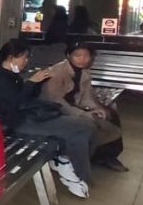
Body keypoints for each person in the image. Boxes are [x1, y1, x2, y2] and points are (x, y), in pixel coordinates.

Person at [0, 39, 94, 198]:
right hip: (19, 123)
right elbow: (15, 103)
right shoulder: (0, 78)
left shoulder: (11, 74)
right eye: (24, 57)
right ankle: (71, 168)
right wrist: (31, 82)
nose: (26, 61)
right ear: (11, 58)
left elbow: (26, 96)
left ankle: (72, 168)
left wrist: (37, 82)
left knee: (78, 132)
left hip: (31, 117)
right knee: (84, 126)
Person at [41, 42, 127, 172]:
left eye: (86, 56)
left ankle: (107, 156)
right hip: (55, 111)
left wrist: (97, 108)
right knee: (91, 124)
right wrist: (83, 114)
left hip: (74, 106)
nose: (82, 59)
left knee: (110, 114)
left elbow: (86, 97)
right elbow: (56, 101)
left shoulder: (84, 71)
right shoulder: (57, 72)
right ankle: (87, 157)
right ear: (69, 55)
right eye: (77, 55)